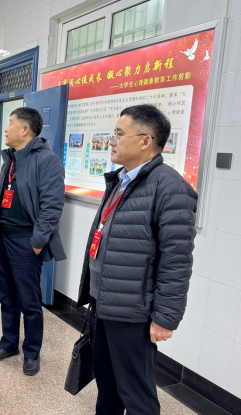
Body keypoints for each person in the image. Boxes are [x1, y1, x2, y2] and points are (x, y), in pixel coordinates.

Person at [77, 104, 197, 414]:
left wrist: (165, 317)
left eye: (119, 134)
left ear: (145, 141)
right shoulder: (121, 180)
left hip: (133, 313)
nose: (112, 141)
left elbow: (177, 261)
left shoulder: (171, 188)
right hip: (105, 304)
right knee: (107, 383)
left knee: (136, 394)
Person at [0, 107, 66, 376]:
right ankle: (8, 344)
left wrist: (37, 242)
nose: (6, 129)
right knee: (7, 295)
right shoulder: (10, 158)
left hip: (26, 242)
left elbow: (52, 206)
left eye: (10, 123)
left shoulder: (47, 160)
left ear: (25, 129)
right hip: (4, 238)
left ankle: (32, 352)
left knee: (29, 301)